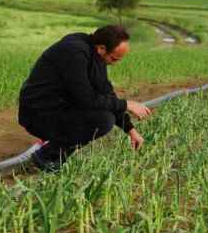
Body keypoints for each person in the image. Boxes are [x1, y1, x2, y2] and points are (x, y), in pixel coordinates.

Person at [18, 25, 153, 171]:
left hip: (57, 108)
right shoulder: (74, 52)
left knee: (104, 114)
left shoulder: (95, 55)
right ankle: (47, 155)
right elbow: (86, 98)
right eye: (114, 59)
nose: (115, 64)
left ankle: (55, 153)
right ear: (101, 48)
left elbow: (105, 93)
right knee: (103, 120)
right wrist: (126, 104)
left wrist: (130, 130)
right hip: (37, 113)